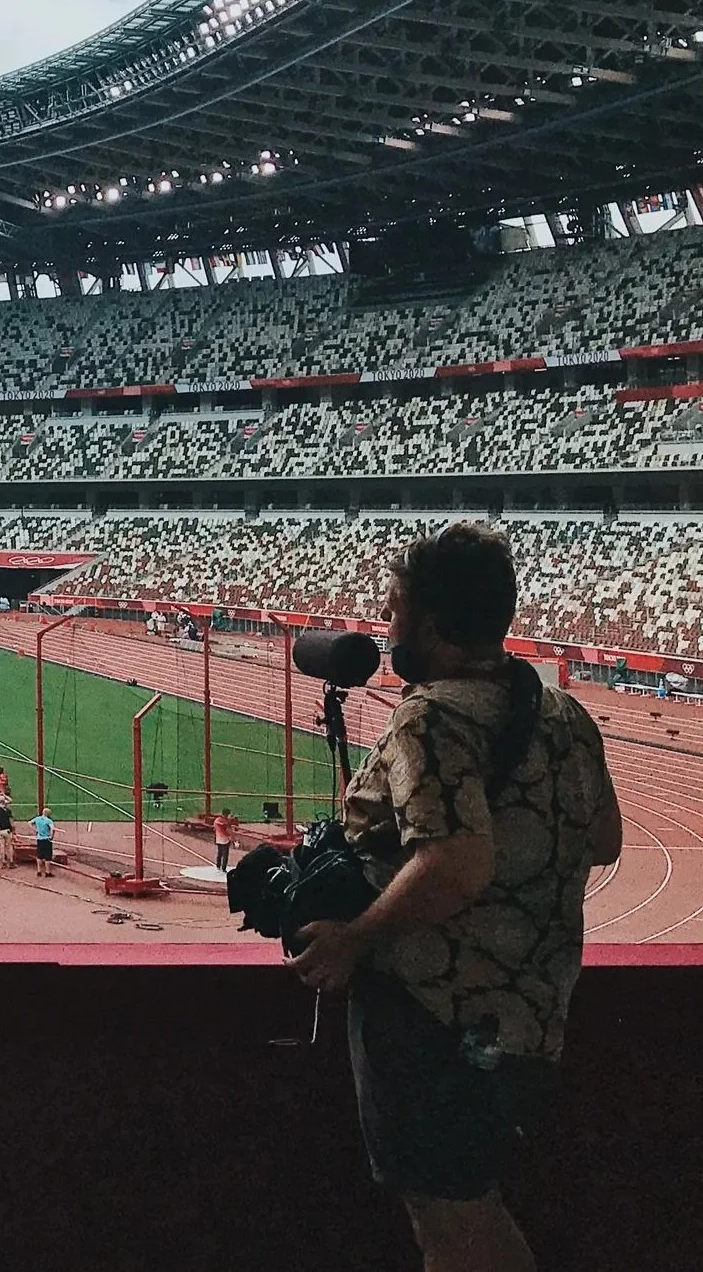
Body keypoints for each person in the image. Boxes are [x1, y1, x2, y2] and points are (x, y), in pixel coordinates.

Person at [288, 525, 618, 1272]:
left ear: (431, 624)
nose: (385, 625)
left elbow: (456, 863)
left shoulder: (429, 716)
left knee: (450, 1217)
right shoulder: (565, 714)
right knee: (464, 1203)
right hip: (531, 1013)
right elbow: (603, 841)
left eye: (394, 610)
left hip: (435, 1019)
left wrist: (353, 937)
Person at [30, 806, 56, 877]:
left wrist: (35, 829)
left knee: (39, 855)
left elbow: (30, 822)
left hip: (39, 839)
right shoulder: (49, 821)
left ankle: (39, 871)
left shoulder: (37, 819)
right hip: (46, 839)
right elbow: (52, 829)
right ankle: (47, 872)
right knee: (47, 856)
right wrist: (51, 836)